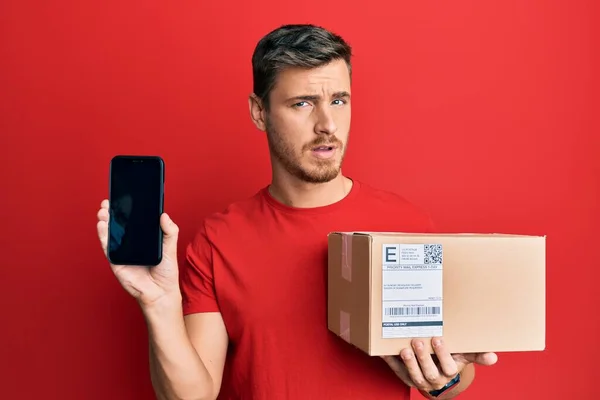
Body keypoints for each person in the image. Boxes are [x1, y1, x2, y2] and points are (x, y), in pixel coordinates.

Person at [96, 24, 498, 400]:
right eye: (303, 103)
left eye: (338, 101)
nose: (327, 124)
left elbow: (454, 376)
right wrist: (158, 303)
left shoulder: (407, 227)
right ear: (259, 112)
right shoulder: (218, 240)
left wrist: (445, 379)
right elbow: (192, 394)